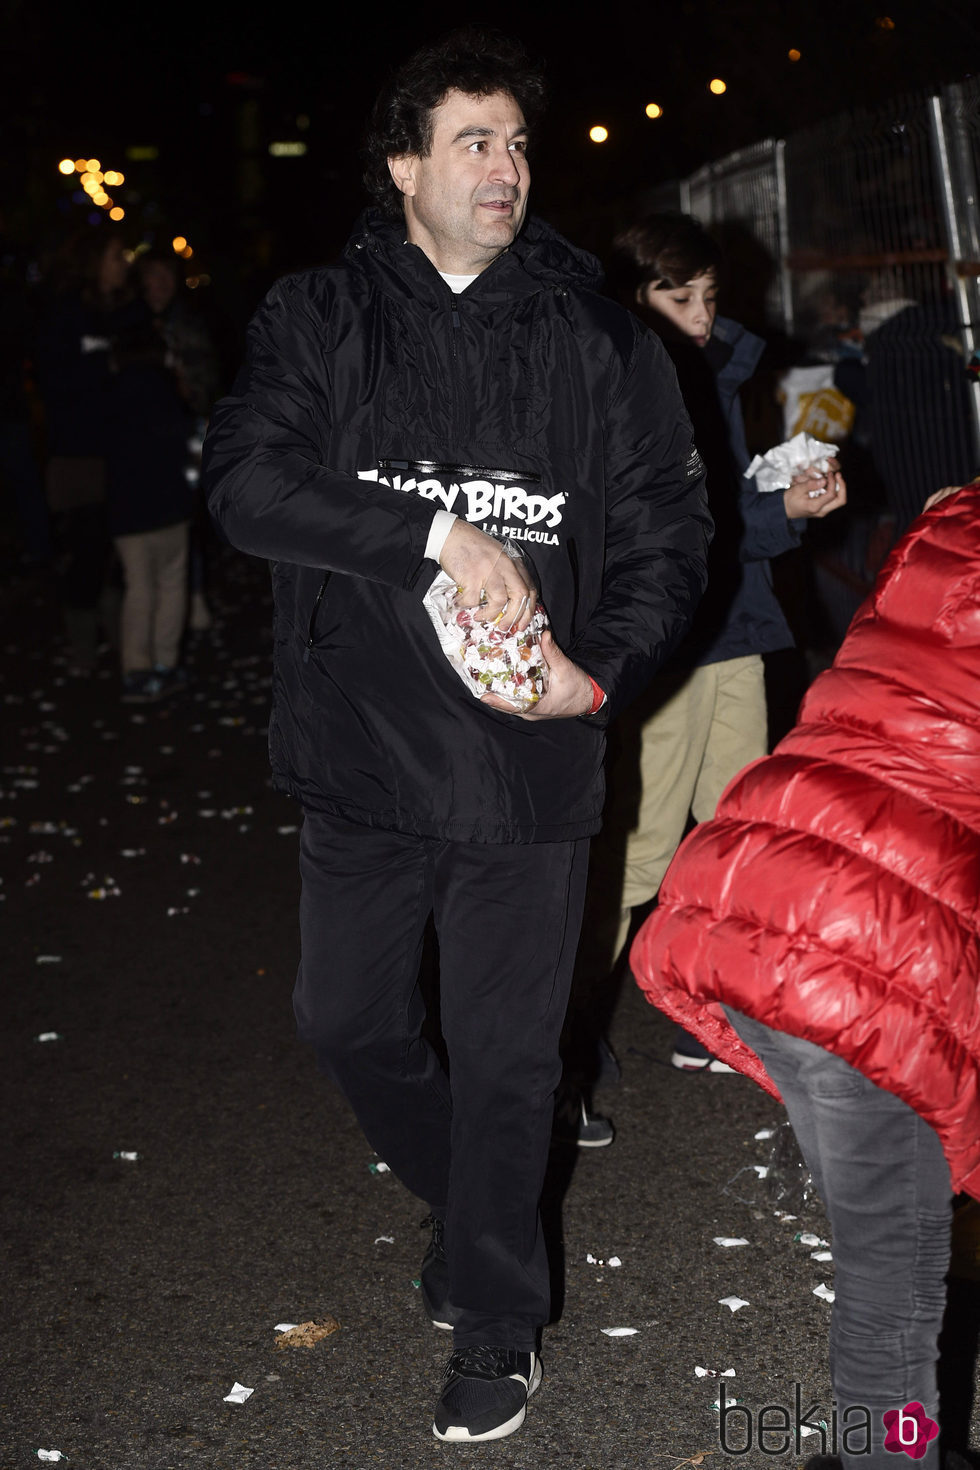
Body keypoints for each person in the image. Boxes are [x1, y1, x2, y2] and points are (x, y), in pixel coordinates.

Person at [202, 28, 711, 1444]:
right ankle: (481, 1202)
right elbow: (248, 483)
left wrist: (595, 677)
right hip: (360, 746)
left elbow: (676, 538)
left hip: (528, 764)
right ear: (403, 167)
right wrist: (434, 531)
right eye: (474, 141)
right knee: (347, 1018)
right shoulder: (320, 318)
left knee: (505, 1057)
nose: (507, 168)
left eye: (519, 143)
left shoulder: (602, 336)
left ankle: (496, 1310)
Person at [630, 478, 980, 1469]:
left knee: (886, 1252)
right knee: (898, 1274)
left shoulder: (951, 519)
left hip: (765, 892)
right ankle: (890, 1456)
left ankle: (888, 1446)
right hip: (868, 953)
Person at [566, 212, 846, 1096]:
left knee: (740, 839)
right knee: (640, 850)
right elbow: (673, 531)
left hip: (735, 632)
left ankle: (713, 1015)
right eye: (677, 296)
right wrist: (779, 516)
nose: (699, 314)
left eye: (710, 298)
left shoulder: (708, 370)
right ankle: (554, 1047)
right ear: (631, 297)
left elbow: (717, 497)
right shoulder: (627, 376)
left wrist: (782, 488)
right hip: (671, 640)